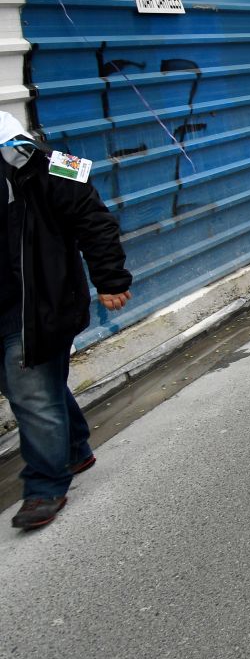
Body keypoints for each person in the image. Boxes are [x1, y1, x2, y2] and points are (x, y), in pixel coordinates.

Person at [1, 111, 132, 531]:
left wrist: (110, 279)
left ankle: (44, 486)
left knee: (31, 393)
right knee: (33, 385)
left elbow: (95, 222)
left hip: (41, 304)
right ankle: (74, 449)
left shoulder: (56, 165)